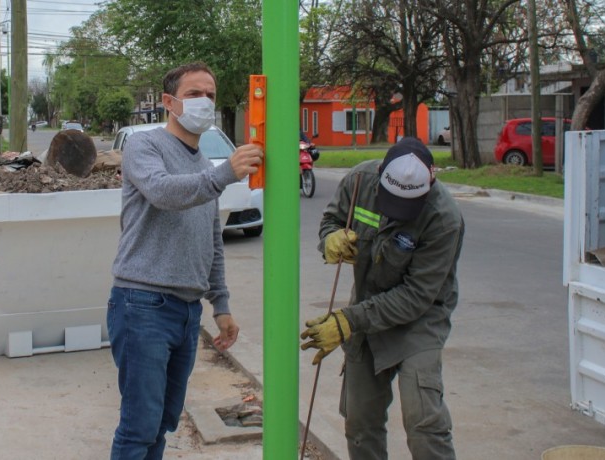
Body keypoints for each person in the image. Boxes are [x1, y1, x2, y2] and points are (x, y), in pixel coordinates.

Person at [107, 62, 263, 460]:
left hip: (186, 311)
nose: (204, 102)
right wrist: (224, 173)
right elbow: (163, 192)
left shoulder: (201, 164)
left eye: (210, 94)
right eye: (194, 94)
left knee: (163, 422)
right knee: (139, 425)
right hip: (143, 305)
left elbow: (210, 236)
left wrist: (221, 303)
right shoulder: (145, 146)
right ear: (169, 102)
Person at [300, 136, 464, 459]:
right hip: (366, 309)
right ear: (381, 172)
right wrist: (330, 239)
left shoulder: (444, 218)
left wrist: (347, 320)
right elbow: (331, 220)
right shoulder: (360, 181)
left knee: (423, 421)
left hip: (420, 322)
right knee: (360, 422)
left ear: (430, 181)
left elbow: (416, 297)